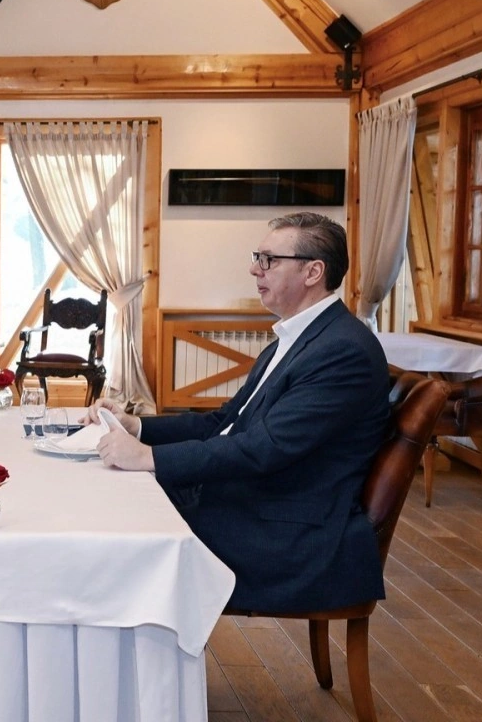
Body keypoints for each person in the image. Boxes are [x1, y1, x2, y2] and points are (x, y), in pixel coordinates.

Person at [88, 212, 390, 613]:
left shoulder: (343, 351)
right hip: (253, 500)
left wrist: (149, 458)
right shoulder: (300, 336)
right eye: (257, 257)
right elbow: (223, 423)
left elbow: (265, 448)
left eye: (269, 260)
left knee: (119, 534)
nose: (254, 269)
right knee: (109, 501)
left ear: (313, 272)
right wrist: (138, 427)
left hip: (286, 536)